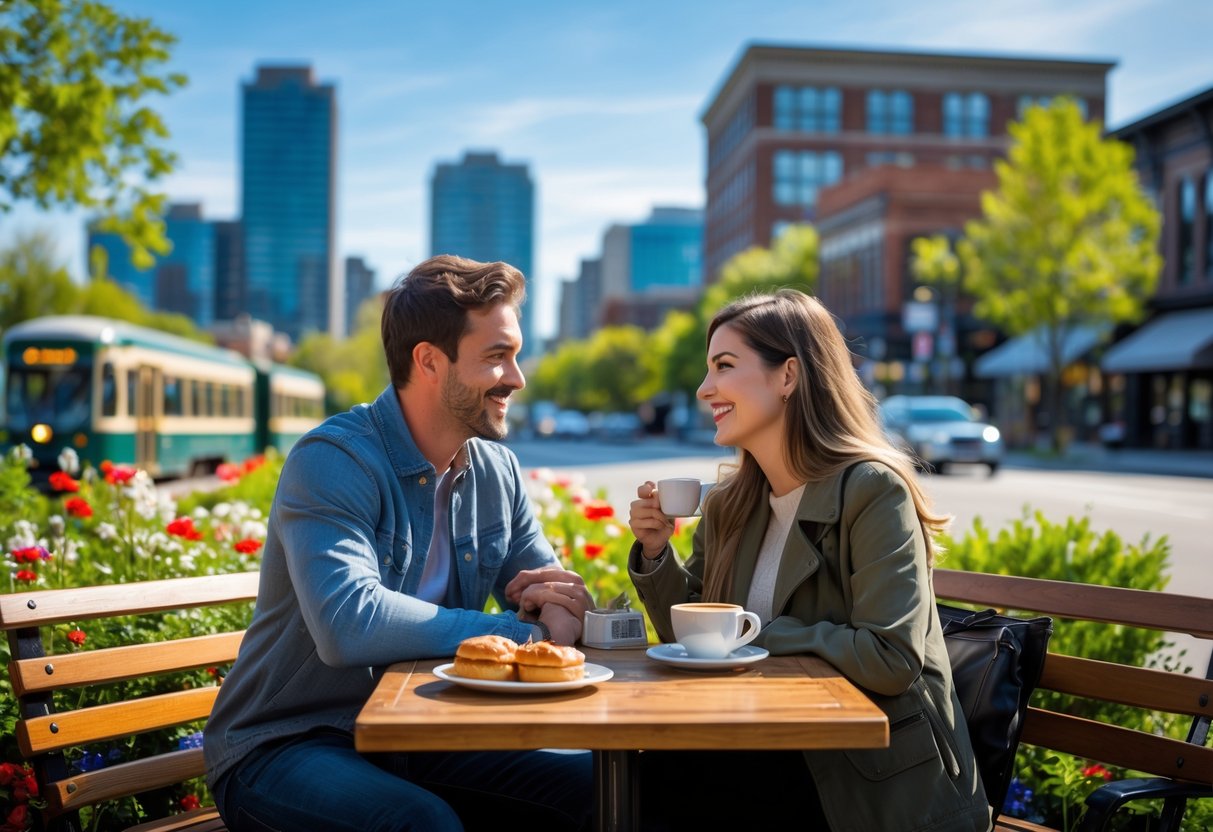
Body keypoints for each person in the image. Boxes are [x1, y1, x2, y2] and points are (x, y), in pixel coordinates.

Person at [205, 255, 595, 832]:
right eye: (496, 357)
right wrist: (519, 633)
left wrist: (559, 615)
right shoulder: (335, 460)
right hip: (288, 743)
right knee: (418, 824)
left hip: (421, 732)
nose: (517, 378)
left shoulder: (499, 471)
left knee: (598, 787)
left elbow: (558, 606)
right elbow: (348, 622)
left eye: (514, 354)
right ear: (429, 361)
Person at [628, 289, 992, 832]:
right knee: (643, 775)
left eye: (724, 367)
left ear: (789, 375)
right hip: (765, 743)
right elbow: (698, 641)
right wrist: (657, 553)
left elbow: (890, 658)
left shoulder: (872, 491)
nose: (705, 389)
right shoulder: (734, 503)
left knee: (670, 786)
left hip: (866, 775)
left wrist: (763, 636)